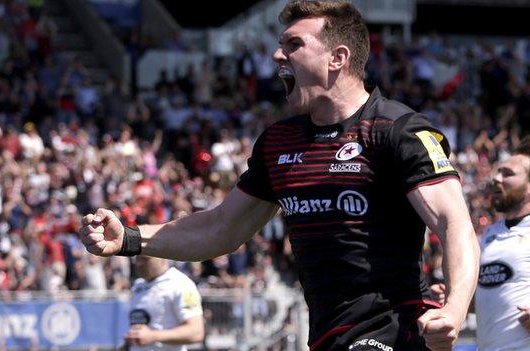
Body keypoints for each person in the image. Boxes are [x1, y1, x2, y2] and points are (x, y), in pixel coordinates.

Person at [80, 1, 479, 350]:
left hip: (395, 327)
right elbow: (221, 228)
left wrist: (455, 310)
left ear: (336, 58)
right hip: (328, 332)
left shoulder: (398, 130)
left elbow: (453, 223)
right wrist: (131, 238)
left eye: (293, 44)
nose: (276, 55)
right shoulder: (279, 142)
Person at [431, 137, 530, 350]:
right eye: (497, 171)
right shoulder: (490, 234)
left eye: (508, 173)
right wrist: (456, 299)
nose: (496, 178)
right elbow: (494, 298)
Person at [123, 256, 204, 350]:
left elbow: (196, 332)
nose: (139, 263)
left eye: (145, 259)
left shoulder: (180, 284)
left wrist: (154, 336)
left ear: (162, 257)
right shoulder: (138, 285)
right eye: (137, 259)